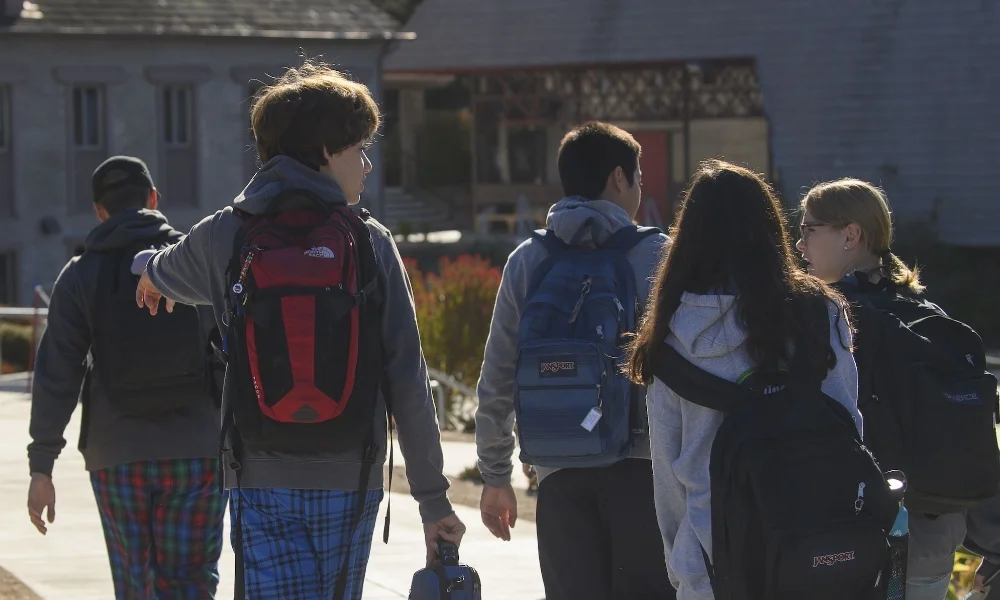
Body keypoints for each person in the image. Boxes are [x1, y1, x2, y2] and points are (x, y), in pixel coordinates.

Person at [134, 61, 465, 600]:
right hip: (349, 476)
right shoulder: (370, 242)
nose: (367, 164)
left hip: (257, 473)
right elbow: (408, 376)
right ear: (324, 152)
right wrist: (432, 501)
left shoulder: (227, 233)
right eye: (359, 148)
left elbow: (164, 269)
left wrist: (147, 272)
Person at [624, 160, 862, 600]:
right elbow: (848, 427)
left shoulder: (671, 333)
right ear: (769, 227)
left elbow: (668, 476)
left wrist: (684, 568)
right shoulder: (818, 311)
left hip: (714, 562)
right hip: (814, 549)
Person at [476, 121, 673, 599]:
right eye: (638, 176)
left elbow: (499, 372)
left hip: (559, 467)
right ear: (618, 179)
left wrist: (495, 474)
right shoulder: (657, 255)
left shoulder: (529, 258)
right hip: (642, 470)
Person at [27, 155, 226, 599]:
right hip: (197, 451)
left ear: (99, 210)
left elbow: (57, 373)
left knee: (135, 586)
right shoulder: (194, 262)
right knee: (192, 582)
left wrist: (42, 465)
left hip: (116, 455)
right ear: (154, 199)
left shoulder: (79, 275)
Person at [797, 178, 1000, 600]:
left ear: (851, 234)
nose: (799, 245)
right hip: (933, 530)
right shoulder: (928, 316)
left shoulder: (829, 320)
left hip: (845, 536)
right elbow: (969, 440)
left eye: (809, 229)